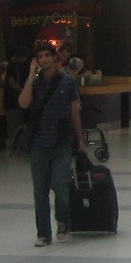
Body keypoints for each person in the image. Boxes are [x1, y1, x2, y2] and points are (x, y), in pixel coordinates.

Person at [18, 43, 85, 246]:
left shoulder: (67, 82)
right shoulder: (35, 84)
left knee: (60, 186)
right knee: (40, 190)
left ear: (54, 58)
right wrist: (30, 77)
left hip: (61, 142)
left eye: (47, 55)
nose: (44, 59)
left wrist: (80, 139)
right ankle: (43, 234)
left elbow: (74, 110)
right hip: (38, 142)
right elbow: (23, 103)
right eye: (40, 56)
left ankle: (63, 219)